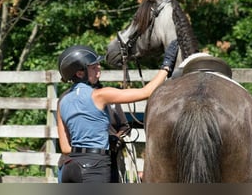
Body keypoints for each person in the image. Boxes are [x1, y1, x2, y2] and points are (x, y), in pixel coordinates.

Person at [57, 41, 178, 183]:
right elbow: (147, 92)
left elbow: (65, 148)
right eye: (93, 67)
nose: (99, 69)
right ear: (79, 73)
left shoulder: (62, 102)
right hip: (95, 167)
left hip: (70, 168)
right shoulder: (100, 95)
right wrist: (167, 65)